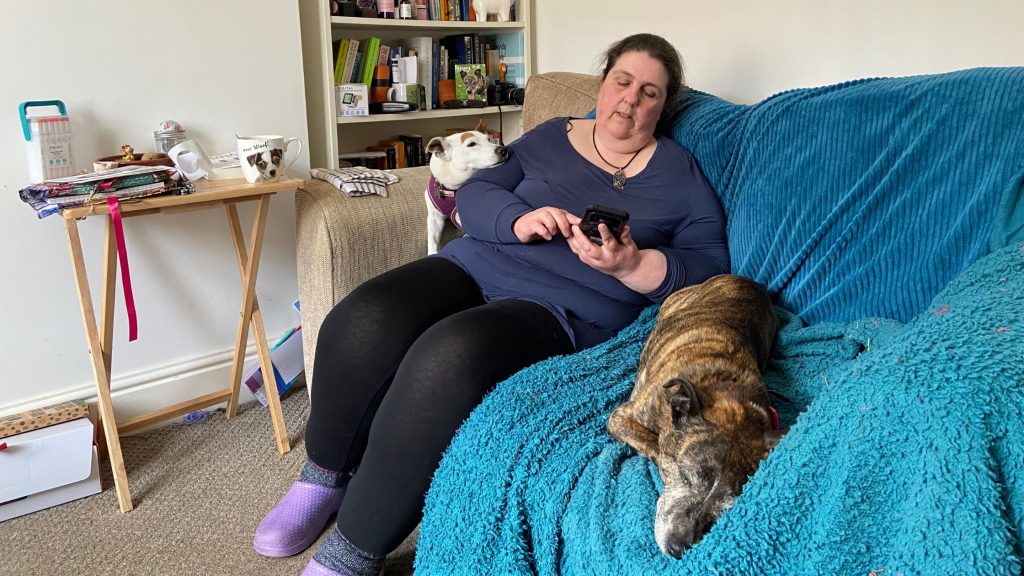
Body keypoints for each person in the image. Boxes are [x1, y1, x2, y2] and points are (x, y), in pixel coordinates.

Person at [254, 32, 730, 576]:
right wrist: (519, 220)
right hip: (478, 261)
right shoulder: (552, 137)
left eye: (650, 92)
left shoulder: (678, 174)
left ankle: (355, 547)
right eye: (622, 82)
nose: (630, 99)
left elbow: (711, 265)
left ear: (664, 106)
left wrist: (632, 266)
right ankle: (323, 478)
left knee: (447, 359)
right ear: (603, 84)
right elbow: (477, 193)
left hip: (564, 310)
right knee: (362, 318)